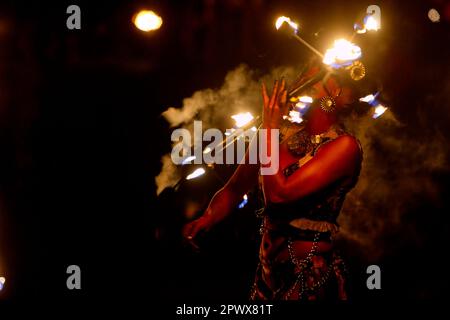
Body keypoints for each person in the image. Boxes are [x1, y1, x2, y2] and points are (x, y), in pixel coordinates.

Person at [182, 63, 363, 301]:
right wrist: (209, 217)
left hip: (309, 281)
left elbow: (279, 195)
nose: (301, 80)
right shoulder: (280, 134)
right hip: (266, 277)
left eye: (315, 76)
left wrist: (268, 127)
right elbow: (235, 188)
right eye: (303, 72)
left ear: (338, 92)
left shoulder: (344, 147)